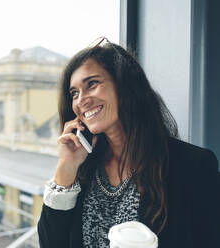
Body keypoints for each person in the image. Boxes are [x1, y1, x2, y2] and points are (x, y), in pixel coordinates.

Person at [37, 37, 220, 248]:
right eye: (74, 93)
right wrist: (66, 169)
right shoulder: (83, 170)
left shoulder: (192, 165)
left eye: (92, 84)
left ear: (125, 86)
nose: (81, 100)